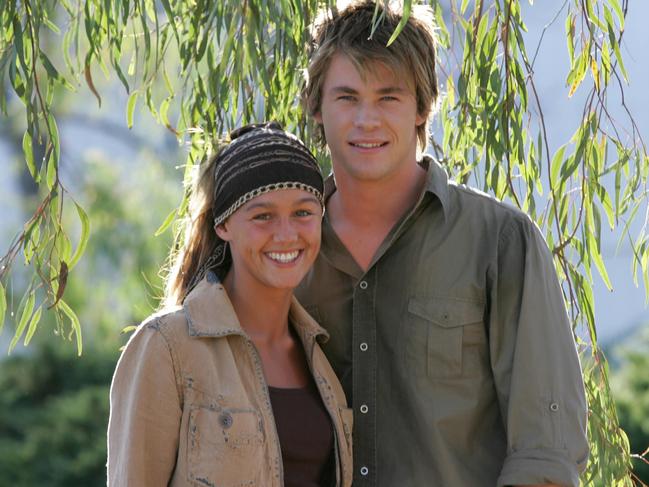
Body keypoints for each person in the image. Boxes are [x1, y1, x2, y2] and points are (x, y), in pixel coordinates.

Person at [296, 2, 589, 486]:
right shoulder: (284, 252)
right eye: (347, 97)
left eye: (388, 97)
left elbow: (546, 456)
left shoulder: (500, 243)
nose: (366, 120)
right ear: (317, 108)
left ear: (422, 107)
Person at [107, 122, 353, 487]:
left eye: (303, 212)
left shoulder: (319, 354)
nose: (286, 234)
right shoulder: (167, 346)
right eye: (263, 216)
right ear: (223, 224)